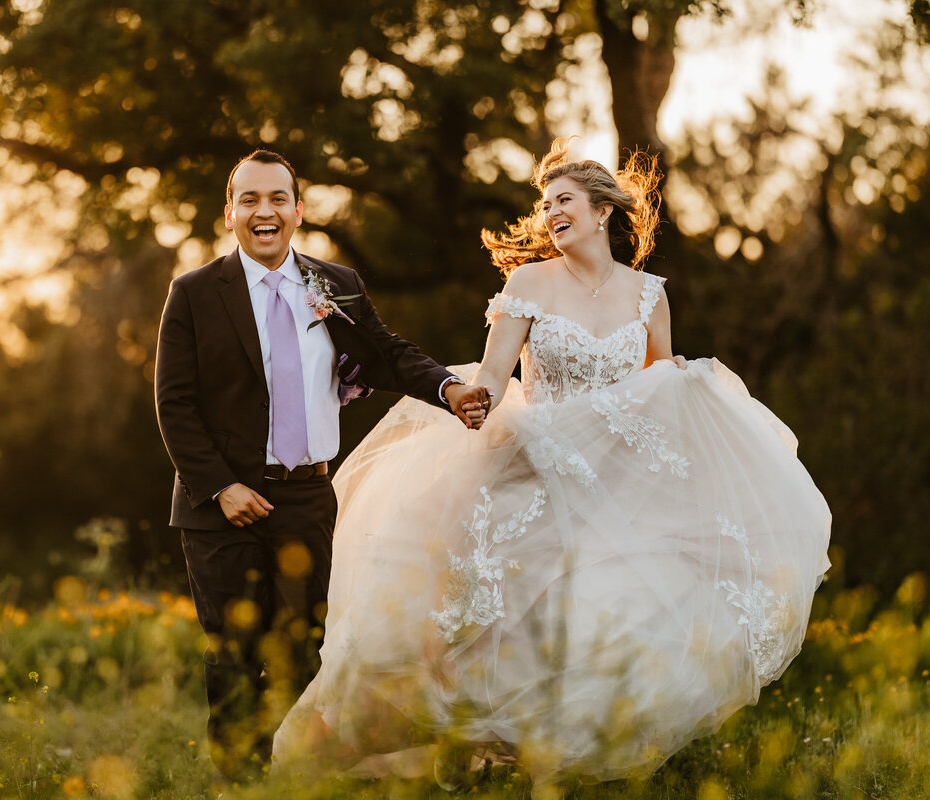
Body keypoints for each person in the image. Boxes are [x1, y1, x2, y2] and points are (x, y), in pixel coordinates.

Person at [271, 139, 832, 789]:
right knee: (481, 620)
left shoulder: (649, 296)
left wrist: (687, 383)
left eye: (564, 200)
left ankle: (576, 764)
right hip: (532, 464)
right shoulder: (529, 283)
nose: (551, 213)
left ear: (601, 213)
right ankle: (353, 750)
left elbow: (655, 391)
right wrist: (467, 404)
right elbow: (492, 375)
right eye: (545, 205)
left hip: (615, 487)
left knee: (620, 613)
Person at [154, 149, 489, 780]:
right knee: (233, 651)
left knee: (309, 649)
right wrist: (220, 487)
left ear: (298, 210)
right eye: (249, 199)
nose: (265, 210)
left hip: (308, 498)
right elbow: (173, 403)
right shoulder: (195, 293)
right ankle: (240, 784)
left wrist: (447, 388)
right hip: (221, 505)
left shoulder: (335, 286)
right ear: (230, 214)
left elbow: (387, 354)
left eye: (278, 198)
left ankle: (285, 764)